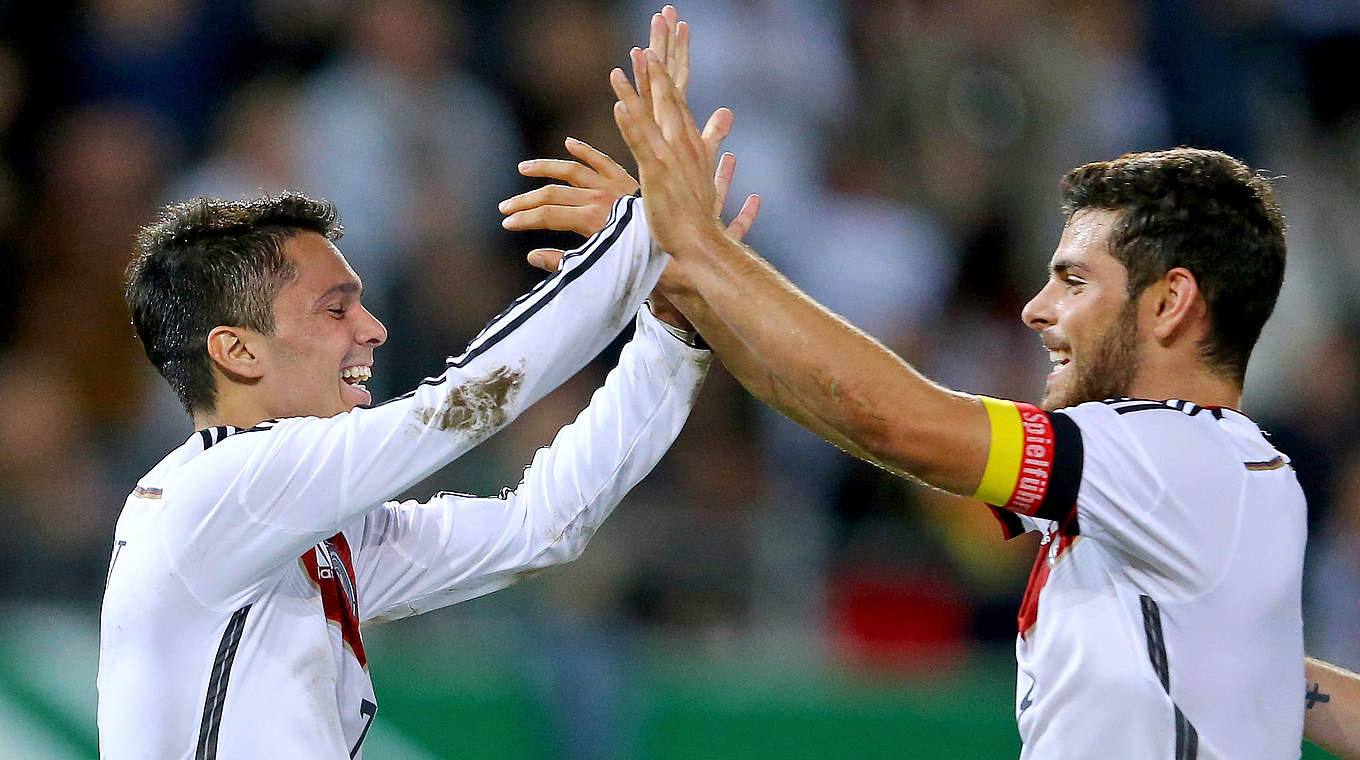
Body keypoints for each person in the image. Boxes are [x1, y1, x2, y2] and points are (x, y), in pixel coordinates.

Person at [502, 7, 1305, 756]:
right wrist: (684, 280)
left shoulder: (1168, 458)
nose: (1036, 308)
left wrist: (702, 250)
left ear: (1170, 303)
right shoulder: (1198, 482)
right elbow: (849, 417)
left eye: (1075, 282)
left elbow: (901, 423)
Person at [96, 189, 717, 758]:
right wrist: (648, 229)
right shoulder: (221, 489)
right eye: (336, 311)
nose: (374, 329)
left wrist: (670, 332)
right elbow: (464, 402)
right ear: (238, 351)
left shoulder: (287, 528)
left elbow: (536, 527)